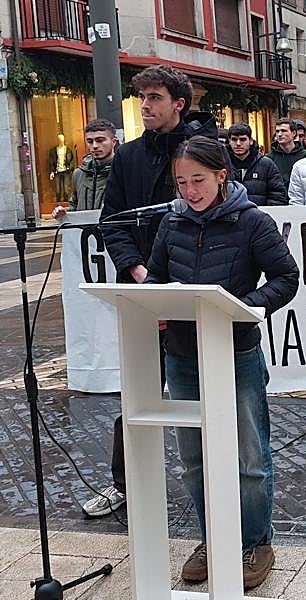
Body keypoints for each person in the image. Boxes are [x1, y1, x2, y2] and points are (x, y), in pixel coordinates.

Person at [147, 135, 299, 590]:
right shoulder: (170, 224)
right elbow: (156, 275)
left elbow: (286, 277)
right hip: (182, 355)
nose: (190, 191)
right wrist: (154, 304)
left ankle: (254, 541)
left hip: (236, 352)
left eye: (198, 180)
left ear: (220, 176)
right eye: (181, 182)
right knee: (193, 458)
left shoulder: (253, 222)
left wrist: (243, 306)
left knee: (249, 455)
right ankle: (212, 538)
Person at [93, 65, 217, 519]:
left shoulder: (201, 149)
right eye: (141, 97)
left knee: (208, 389)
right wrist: (138, 271)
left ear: (178, 103)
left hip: (196, 293)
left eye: (155, 97)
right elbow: (113, 222)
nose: (144, 105)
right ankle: (126, 484)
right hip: (144, 292)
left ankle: (217, 477)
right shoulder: (126, 158)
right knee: (138, 392)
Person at [53, 118, 116, 217]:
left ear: (113, 142)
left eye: (100, 140)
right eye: (90, 141)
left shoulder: (123, 172)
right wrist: (63, 213)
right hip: (84, 230)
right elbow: (74, 206)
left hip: (113, 230)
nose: (95, 146)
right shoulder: (78, 174)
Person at [225, 123, 288, 206]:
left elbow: (278, 195)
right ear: (229, 141)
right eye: (234, 139)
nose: (238, 143)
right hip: (229, 216)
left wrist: (264, 213)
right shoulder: (222, 164)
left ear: (250, 141)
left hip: (260, 215)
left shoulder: (266, 164)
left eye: (243, 139)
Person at [267, 118, 306, 185]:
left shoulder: (305, 156)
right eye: (277, 131)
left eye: (283, 131)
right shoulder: (270, 158)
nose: (279, 134)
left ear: (293, 133)